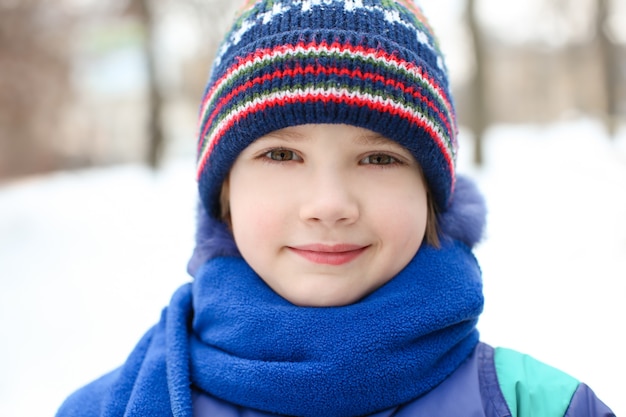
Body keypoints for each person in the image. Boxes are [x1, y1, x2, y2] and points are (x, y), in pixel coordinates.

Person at [56, 0, 615, 416]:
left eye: (378, 158)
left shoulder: (543, 406)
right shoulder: (106, 406)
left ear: (431, 194)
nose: (329, 205)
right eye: (281, 153)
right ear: (225, 191)